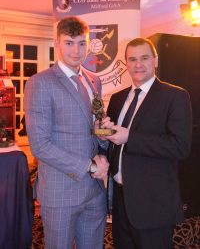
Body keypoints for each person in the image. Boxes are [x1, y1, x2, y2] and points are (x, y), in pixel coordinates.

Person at [24, 16, 109, 249]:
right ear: (57, 43)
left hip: (94, 191)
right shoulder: (39, 83)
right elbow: (40, 145)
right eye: (69, 42)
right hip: (61, 191)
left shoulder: (94, 81)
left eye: (82, 43)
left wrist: (103, 140)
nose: (76, 50)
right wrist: (90, 166)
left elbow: (93, 127)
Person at [100, 38, 192, 249]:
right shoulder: (117, 98)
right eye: (132, 59)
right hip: (121, 200)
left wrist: (130, 137)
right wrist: (105, 133)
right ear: (126, 63)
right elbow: (114, 141)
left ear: (155, 60)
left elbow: (180, 146)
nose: (138, 64)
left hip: (153, 204)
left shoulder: (175, 96)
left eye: (144, 58)